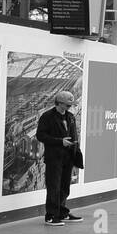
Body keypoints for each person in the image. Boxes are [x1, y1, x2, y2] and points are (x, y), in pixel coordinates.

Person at [35, 90, 83, 226]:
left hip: (68, 157)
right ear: (59, 103)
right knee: (53, 187)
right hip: (54, 158)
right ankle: (50, 215)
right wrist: (59, 141)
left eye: (71, 105)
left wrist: (76, 152)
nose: (70, 108)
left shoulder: (71, 117)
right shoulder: (47, 117)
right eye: (68, 105)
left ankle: (62, 212)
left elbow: (74, 135)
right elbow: (41, 136)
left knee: (64, 187)